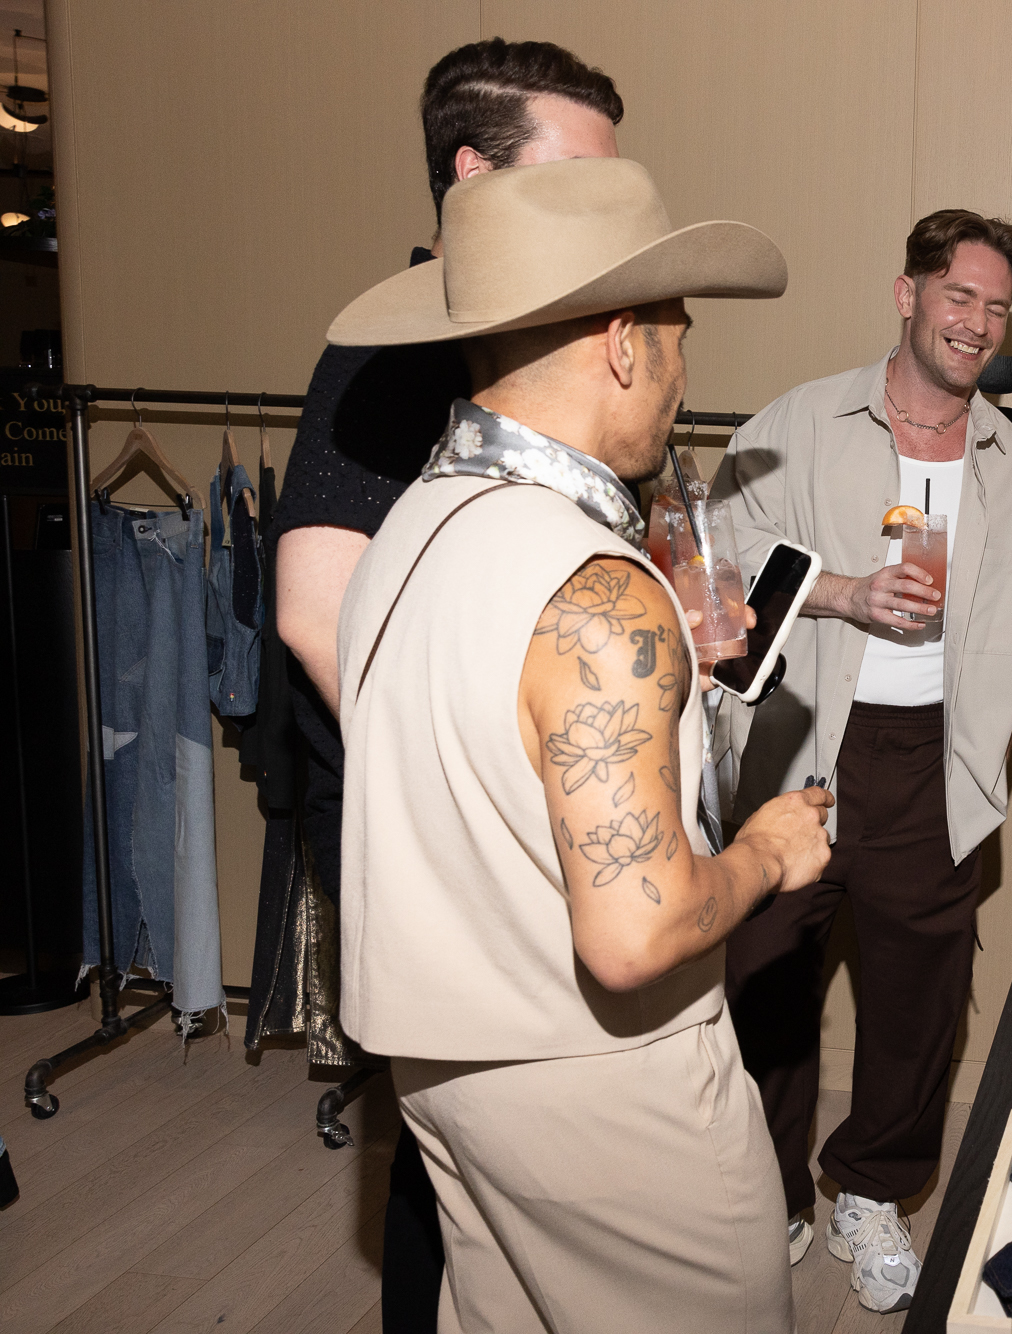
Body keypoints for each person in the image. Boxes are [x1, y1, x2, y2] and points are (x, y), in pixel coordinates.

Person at [328, 156, 834, 1331]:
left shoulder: (406, 528)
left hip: (439, 1072)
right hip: (607, 1094)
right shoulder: (599, 590)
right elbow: (635, 931)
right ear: (621, 344)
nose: (682, 373)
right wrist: (766, 850)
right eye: (678, 336)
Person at [258, 39, 623, 1329]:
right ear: (472, 177)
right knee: (447, 1135)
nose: (608, 206)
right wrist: (480, 781)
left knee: (501, 1138)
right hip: (420, 813)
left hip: (499, 806)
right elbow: (314, 615)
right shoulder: (399, 350)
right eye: (576, 174)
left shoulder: (523, 341)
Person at [716, 210, 1012, 1311]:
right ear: (909, 295)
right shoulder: (800, 420)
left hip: (933, 760)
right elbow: (716, 572)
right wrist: (843, 594)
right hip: (802, 747)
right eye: (959, 296)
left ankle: (870, 1191)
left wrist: (978, 754)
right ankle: (768, 1195)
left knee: (922, 1002)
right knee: (764, 982)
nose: (977, 323)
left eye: (996, 307)